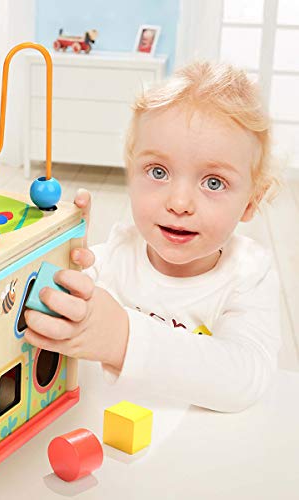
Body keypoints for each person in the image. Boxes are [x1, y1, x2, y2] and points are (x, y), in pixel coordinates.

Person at [24, 62, 282, 413]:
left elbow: (244, 378)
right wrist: (60, 259)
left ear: (250, 201)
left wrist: (123, 339)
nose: (179, 203)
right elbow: (54, 307)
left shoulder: (248, 275)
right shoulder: (116, 254)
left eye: (213, 182)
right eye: (158, 172)